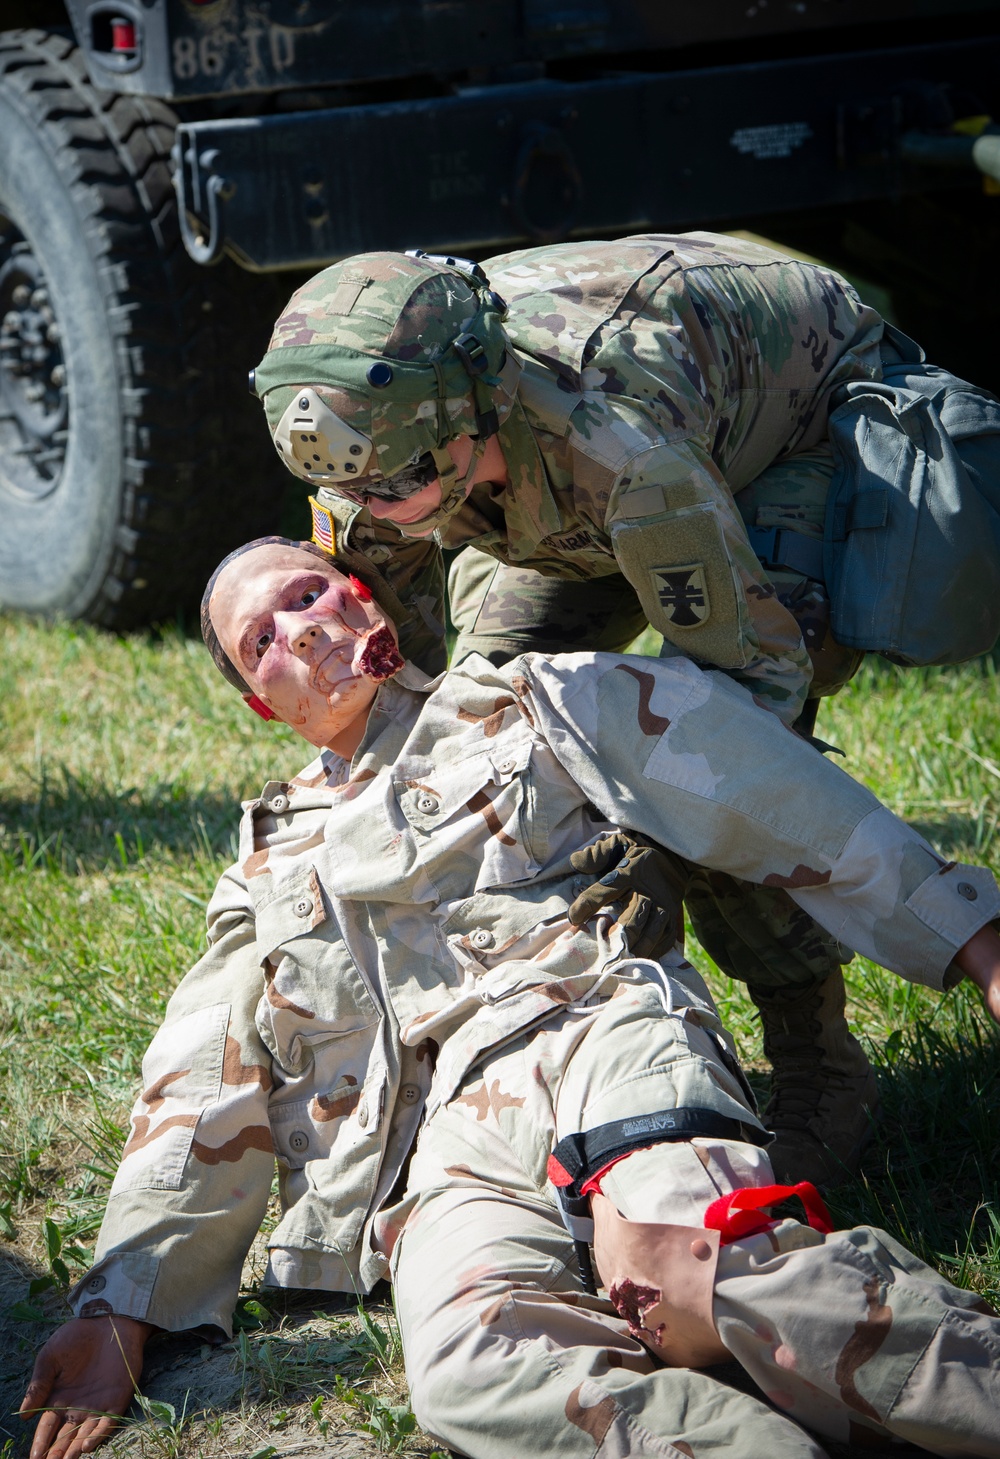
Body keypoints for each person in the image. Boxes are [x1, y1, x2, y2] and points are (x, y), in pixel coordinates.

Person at [21, 538, 1000, 1459]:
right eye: (262, 638)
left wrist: (972, 939)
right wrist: (122, 1303)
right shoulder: (266, 865)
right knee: (473, 1376)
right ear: (260, 704)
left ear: (369, 597)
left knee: (688, 1269)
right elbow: (203, 1065)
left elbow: (766, 791)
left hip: (597, 1028)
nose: (301, 628)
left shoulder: (540, 700)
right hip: (445, 1147)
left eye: (308, 590)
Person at [248, 234, 1000, 1185]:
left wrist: (651, 832)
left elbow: (742, 712)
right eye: (344, 487)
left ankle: (817, 1060)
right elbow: (418, 674)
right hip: (531, 483)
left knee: (690, 775)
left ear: (470, 423)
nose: (361, 505)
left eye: (391, 485)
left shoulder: (623, 455)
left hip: (784, 434)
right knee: (498, 744)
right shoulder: (377, 443)